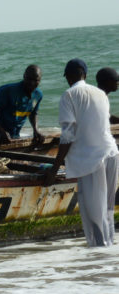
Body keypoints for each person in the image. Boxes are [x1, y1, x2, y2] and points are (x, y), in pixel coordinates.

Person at [44, 59, 118, 247]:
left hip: (91, 160)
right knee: (108, 210)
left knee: (94, 213)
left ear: (69, 77)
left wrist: (54, 168)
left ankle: (99, 261)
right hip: (112, 154)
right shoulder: (101, 93)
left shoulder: (69, 95)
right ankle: (110, 256)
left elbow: (67, 136)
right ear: (84, 74)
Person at [0, 65, 44, 144]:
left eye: (35, 80)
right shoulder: (7, 91)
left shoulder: (38, 95)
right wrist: (1, 132)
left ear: (40, 80)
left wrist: (36, 130)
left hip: (15, 138)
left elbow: (33, 113)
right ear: (24, 76)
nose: (32, 83)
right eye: (29, 79)